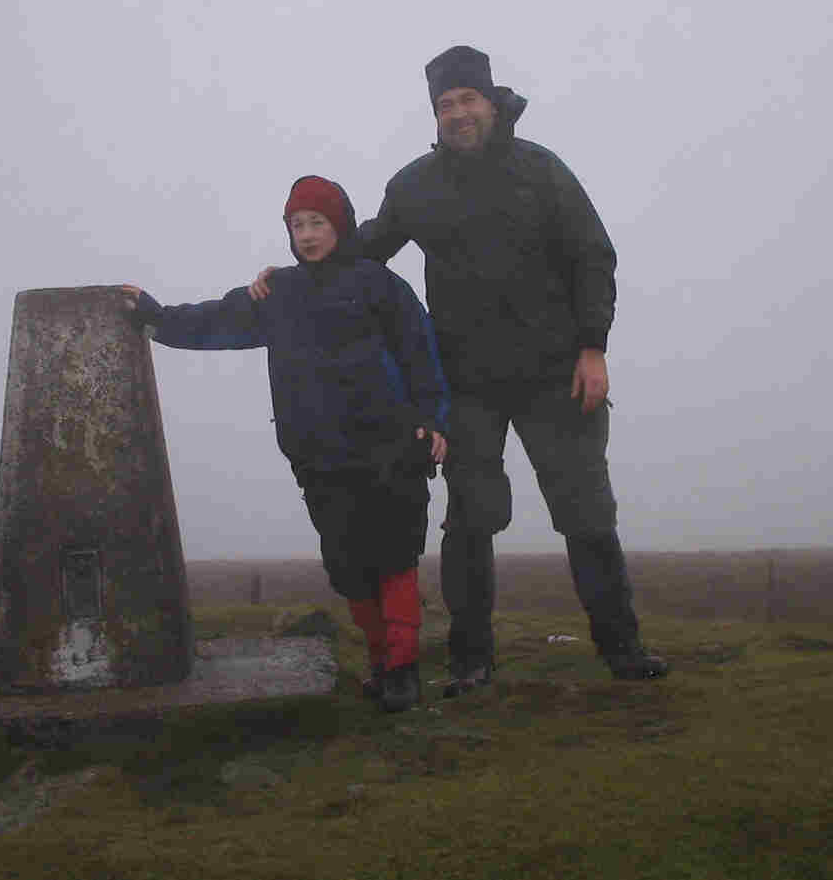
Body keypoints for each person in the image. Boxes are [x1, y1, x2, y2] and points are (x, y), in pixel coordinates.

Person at [250, 47, 668, 692]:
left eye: (468, 99)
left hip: (557, 373)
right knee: (471, 519)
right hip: (466, 382)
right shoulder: (416, 186)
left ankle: (622, 647)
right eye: (445, 105)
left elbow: (593, 257)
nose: (458, 113)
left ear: (492, 102)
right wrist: (296, 275)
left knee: (585, 513)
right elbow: (361, 255)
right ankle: (472, 657)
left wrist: (593, 348)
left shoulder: (542, 171)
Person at [122, 175, 450, 711]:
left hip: (389, 446)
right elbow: (216, 320)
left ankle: (403, 670)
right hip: (319, 455)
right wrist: (157, 319)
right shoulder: (278, 293)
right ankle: (380, 663)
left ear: (339, 225)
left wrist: (434, 420)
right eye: (297, 225)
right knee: (349, 569)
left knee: (394, 558)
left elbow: (421, 353)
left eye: (317, 222)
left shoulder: (380, 285)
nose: (307, 234)